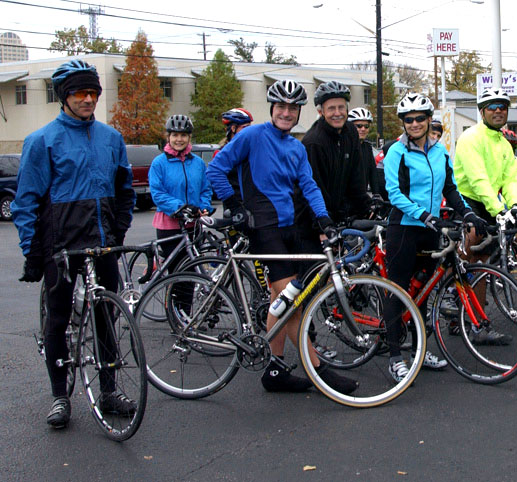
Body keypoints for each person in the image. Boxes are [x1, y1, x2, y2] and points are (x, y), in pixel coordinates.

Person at [206, 79, 356, 395]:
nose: (286, 113)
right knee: (292, 300)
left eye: (292, 108)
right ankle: (317, 369)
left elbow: (310, 185)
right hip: (262, 228)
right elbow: (216, 168)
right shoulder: (251, 135)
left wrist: (324, 219)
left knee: (279, 301)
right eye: (281, 107)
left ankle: (274, 370)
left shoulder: (296, 147)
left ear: (299, 111)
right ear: (273, 108)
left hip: (288, 226)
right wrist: (233, 205)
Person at [12, 59, 136, 428]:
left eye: (94, 93)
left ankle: (110, 391)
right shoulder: (42, 141)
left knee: (106, 319)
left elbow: (124, 191)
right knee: (59, 319)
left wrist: (119, 232)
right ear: (63, 96)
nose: (88, 99)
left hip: (102, 245)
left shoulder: (111, 138)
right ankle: (59, 396)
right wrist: (32, 251)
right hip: (60, 247)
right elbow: (26, 201)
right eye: (81, 93)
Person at [381, 92, 488, 381]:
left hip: (430, 232)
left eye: (419, 118)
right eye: (408, 119)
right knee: (400, 289)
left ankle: (419, 351)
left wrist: (467, 213)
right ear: (403, 122)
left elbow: (450, 190)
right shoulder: (397, 152)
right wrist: (424, 215)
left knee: (424, 292)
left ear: (430, 120)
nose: (414, 124)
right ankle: (394, 357)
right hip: (404, 228)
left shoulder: (440, 151)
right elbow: (395, 195)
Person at [451, 87, 517, 345]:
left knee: (481, 262)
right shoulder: (471, 138)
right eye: (492, 106)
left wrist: (513, 206)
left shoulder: (503, 143)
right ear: (482, 112)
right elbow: (478, 179)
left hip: (488, 202)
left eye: (503, 106)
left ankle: (465, 314)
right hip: (467, 200)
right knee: (474, 258)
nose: (499, 110)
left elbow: (511, 178)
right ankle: (473, 321)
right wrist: (499, 210)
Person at [299, 81, 371, 231]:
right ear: (321, 112)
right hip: (320, 219)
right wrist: (324, 224)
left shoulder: (351, 131)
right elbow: (315, 187)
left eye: (341, 107)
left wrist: (366, 207)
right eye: (331, 108)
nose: (337, 113)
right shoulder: (314, 142)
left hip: (346, 215)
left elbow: (356, 176)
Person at [149, 114, 212, 266]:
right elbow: (158, 194)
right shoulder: (159, 163)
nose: (179, 139)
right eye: (175, 135)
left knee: (192, 272)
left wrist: (203, 207)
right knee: (177, 272)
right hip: (169, 226)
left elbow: (205, 189)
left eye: (183, 135)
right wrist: (182, 208)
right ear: (168, 137)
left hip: (194, 225)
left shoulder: (198, 163)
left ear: (189, 137)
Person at [347, 107, 387, 207]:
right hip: (346, 200)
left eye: (366, 126)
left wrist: (376, 194)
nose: (363, 129)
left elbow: (372, 172)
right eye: (359, 126)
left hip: (362, 199)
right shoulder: (345, 147)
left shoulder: (367, 147)